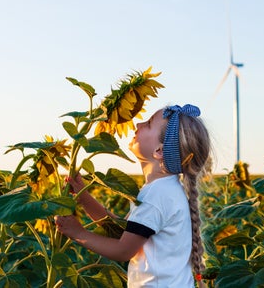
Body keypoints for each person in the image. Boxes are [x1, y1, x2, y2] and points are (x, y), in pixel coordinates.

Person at [55, 104, 211, 287]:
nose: (138, 124)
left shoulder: (157, 195)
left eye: (148, 123)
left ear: (159, 151)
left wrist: (78, 233)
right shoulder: (164, 190)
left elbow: (123, 250)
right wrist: (84, 197)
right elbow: (123, 231)